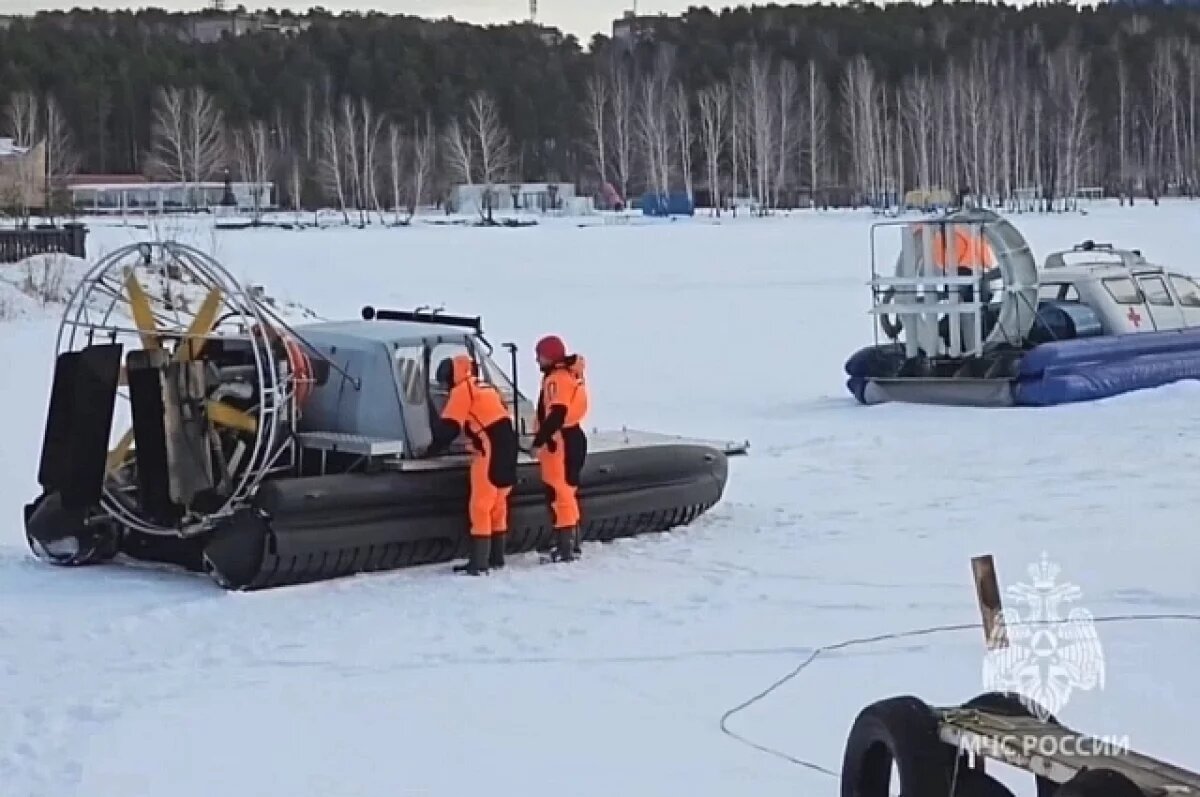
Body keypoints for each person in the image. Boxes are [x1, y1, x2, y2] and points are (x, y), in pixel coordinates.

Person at [424, 354, 518, 575]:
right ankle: (497, 557)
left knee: (480, 506)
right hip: (508, 445)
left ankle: (479, 562)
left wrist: (432, 449)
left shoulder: (462, 391)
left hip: (489, 450)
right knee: (498, 504)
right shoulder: (485, 386)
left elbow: (450, 427)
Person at [529, 334, 588, 562]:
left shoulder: (556, 380)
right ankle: (572, 542)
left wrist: (538, 442)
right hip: (572, 437)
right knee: (568, 493)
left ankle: (565, 548)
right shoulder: (572, 375)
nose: (537, 361)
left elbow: (556, 414)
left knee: (559, 493)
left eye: (539, 356)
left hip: (559, 442)